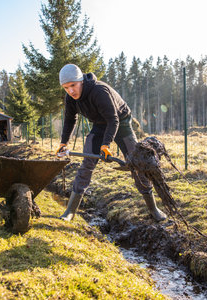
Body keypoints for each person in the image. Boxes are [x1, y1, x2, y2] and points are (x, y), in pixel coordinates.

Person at [56, 64, 167, 222]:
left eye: (73, 85)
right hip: (99, 124)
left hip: (120, 122)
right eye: (66, 88)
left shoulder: (99, 92)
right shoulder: (70, 98)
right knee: (87, 163)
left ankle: (153, 209)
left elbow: (113, 120)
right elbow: (69, 120)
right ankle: (70, 212)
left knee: (137, 163)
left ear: (80, 81)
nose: (71, 91)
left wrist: (105, 145)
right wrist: (63, 142)